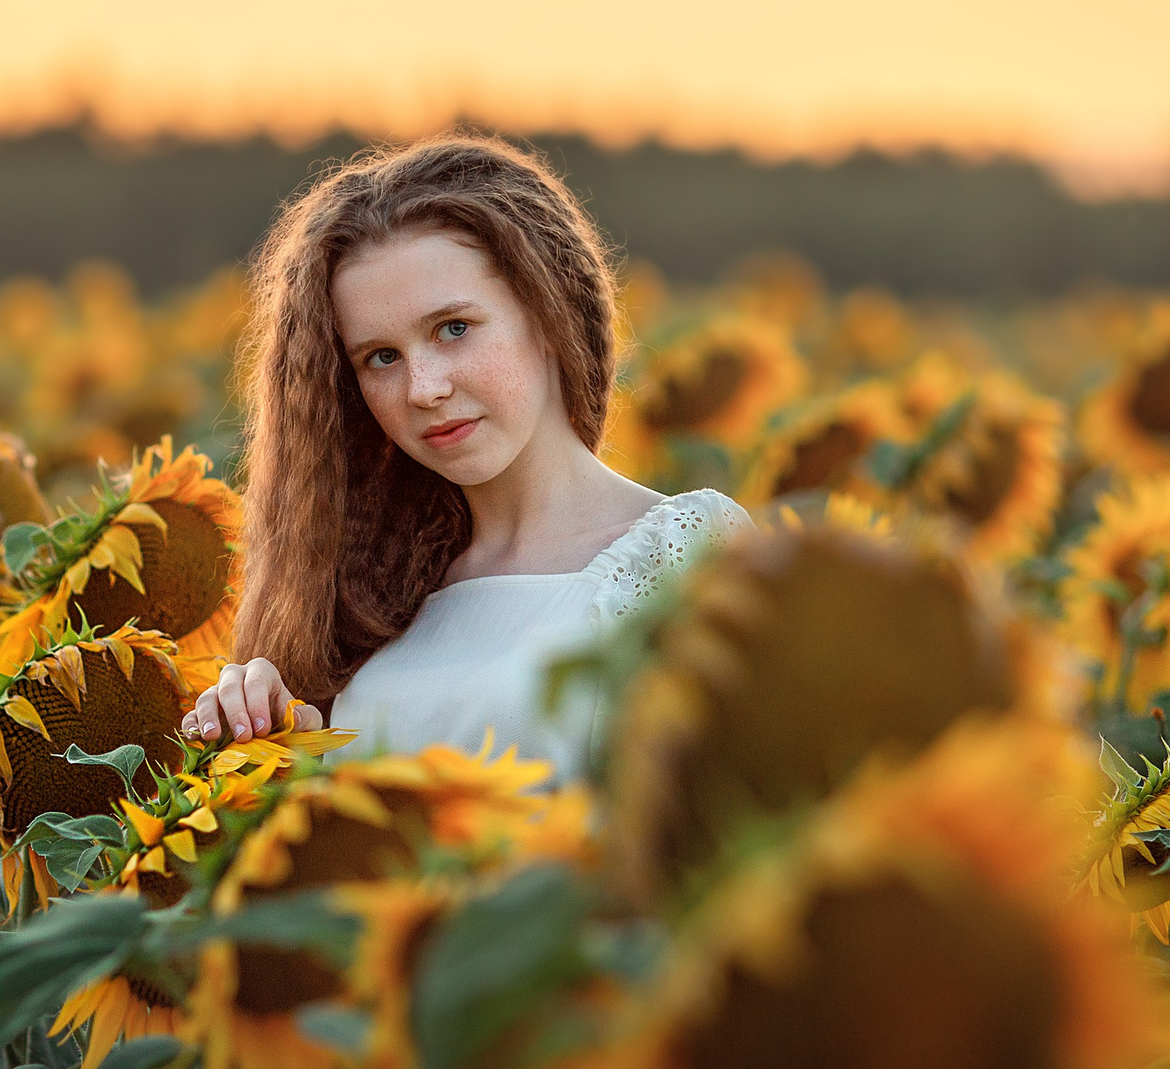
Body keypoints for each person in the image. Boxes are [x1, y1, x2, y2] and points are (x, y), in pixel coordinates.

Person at [183, 133, 750, 782]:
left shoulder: (687, 553)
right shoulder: (365, 591)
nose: (423, 389)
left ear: (547, 311)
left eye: (453, 328)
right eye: (381, 357)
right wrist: (280, 749)